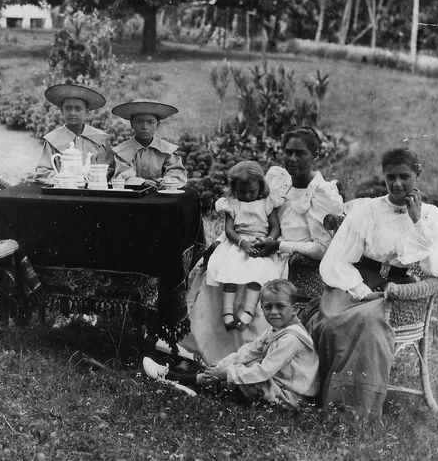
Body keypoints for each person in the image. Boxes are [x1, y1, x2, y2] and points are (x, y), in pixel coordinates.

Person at [307, 147, 438, 418]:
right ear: (384, 177)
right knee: (328, 321)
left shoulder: (431, 216)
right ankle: (325, 393)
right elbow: (337, 258)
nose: (397, 184)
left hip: (395, 291)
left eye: (404, 177)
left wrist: (417, 221)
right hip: (358, 281)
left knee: (367, 323)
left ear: (417, 174)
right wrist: (361, 290)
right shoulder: (368, 210)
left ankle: (353, 409)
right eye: (391, 177)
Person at [180, 128, 343, 365]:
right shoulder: (278, 179)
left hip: (288, 254)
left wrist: (279, 244)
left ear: (315, 155)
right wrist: (218, 243)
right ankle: (202, 352)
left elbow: (321, 249)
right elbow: (250, 216)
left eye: (301, 154)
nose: (292, 159)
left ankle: (239, 361)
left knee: (253, 279)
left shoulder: (321, 193)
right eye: (288, 152)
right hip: (259, 243)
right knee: (217, 270)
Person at [143, 280, 319, 408]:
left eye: (280, 307)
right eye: (268, 307)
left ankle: (179, 380)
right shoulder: (277, 329)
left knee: (243, 378)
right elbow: (249, 350)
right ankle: (183, 380)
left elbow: (265, 370)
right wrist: (223, 365)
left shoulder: (291, 338)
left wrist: (227, 373)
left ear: (295, 309)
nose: (273, 312)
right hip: (278, 384)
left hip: (291, 397)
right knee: (240, 366)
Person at [205, 161, 284, 331]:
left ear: (260, 187)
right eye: (242, 192)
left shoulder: (267, 203)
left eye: (252, 192)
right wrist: (243, 243)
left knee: (258, 271)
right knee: (230, 269)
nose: (247, 196)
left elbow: (275, 227)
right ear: (234, 189)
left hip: (261, 243)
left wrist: (269, 240)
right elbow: (229, 230)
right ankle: (227, 311)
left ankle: (248, 310)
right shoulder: (232, 204)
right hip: (239, 242)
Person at [34, 84, 113, 182]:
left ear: (86, 111)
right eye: (68, 108)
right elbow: (42, 172)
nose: (72, 113)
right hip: (63, 191)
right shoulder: (53, 139)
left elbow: (109, 168)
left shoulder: (99, 139)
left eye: (78, 109)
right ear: (62, 110)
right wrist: (63, 178)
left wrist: (95, 176)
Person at [111, 99, 187, 189]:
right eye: (139, 122)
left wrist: (167, 181)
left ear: (157, 125)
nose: (144, 127)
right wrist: (142, 183)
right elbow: (122, 176)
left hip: (161, 196)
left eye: (150, 122)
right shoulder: (122, 152)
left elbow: (176, 172)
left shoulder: (167, 150)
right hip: (132, 197)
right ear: (132, 124)